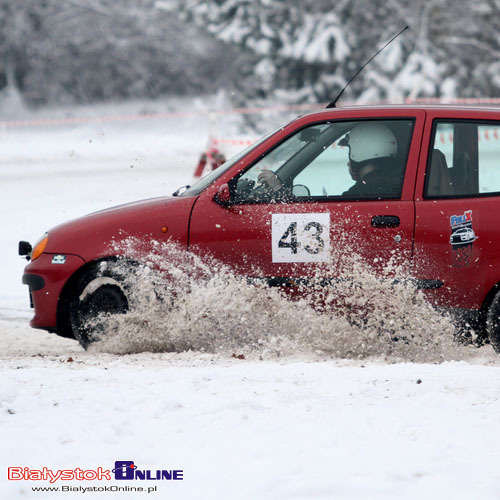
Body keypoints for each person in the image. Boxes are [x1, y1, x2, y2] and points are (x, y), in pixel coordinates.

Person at [339, 123, 400, 197]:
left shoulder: (356, 194)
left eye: (350, 153)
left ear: (361, 151)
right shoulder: (396, 186)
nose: (348, 163)